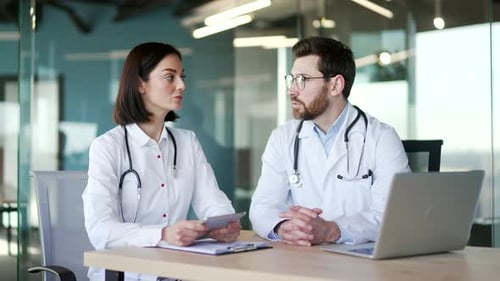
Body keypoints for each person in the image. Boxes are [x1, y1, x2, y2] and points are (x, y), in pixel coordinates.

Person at [82, 42, 240, 281]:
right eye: (170, 77)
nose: (182, 85)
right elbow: (100, 229)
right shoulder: (107, 147)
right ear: (140, 85)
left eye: (182, 76)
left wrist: (225, 224)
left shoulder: (187, 142)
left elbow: (212, 200)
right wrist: (163, 234)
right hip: (125, 274)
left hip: (176, 271)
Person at [249, 36, 410, 246]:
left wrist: (331, 230)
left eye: (302, 80)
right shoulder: (283, 138)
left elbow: (394, 216)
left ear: (335, 85)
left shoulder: (381, 138)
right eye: (292, 79)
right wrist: (284, 228)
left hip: (360, 266)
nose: (292, 90)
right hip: (302, 262)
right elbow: (262, 207)